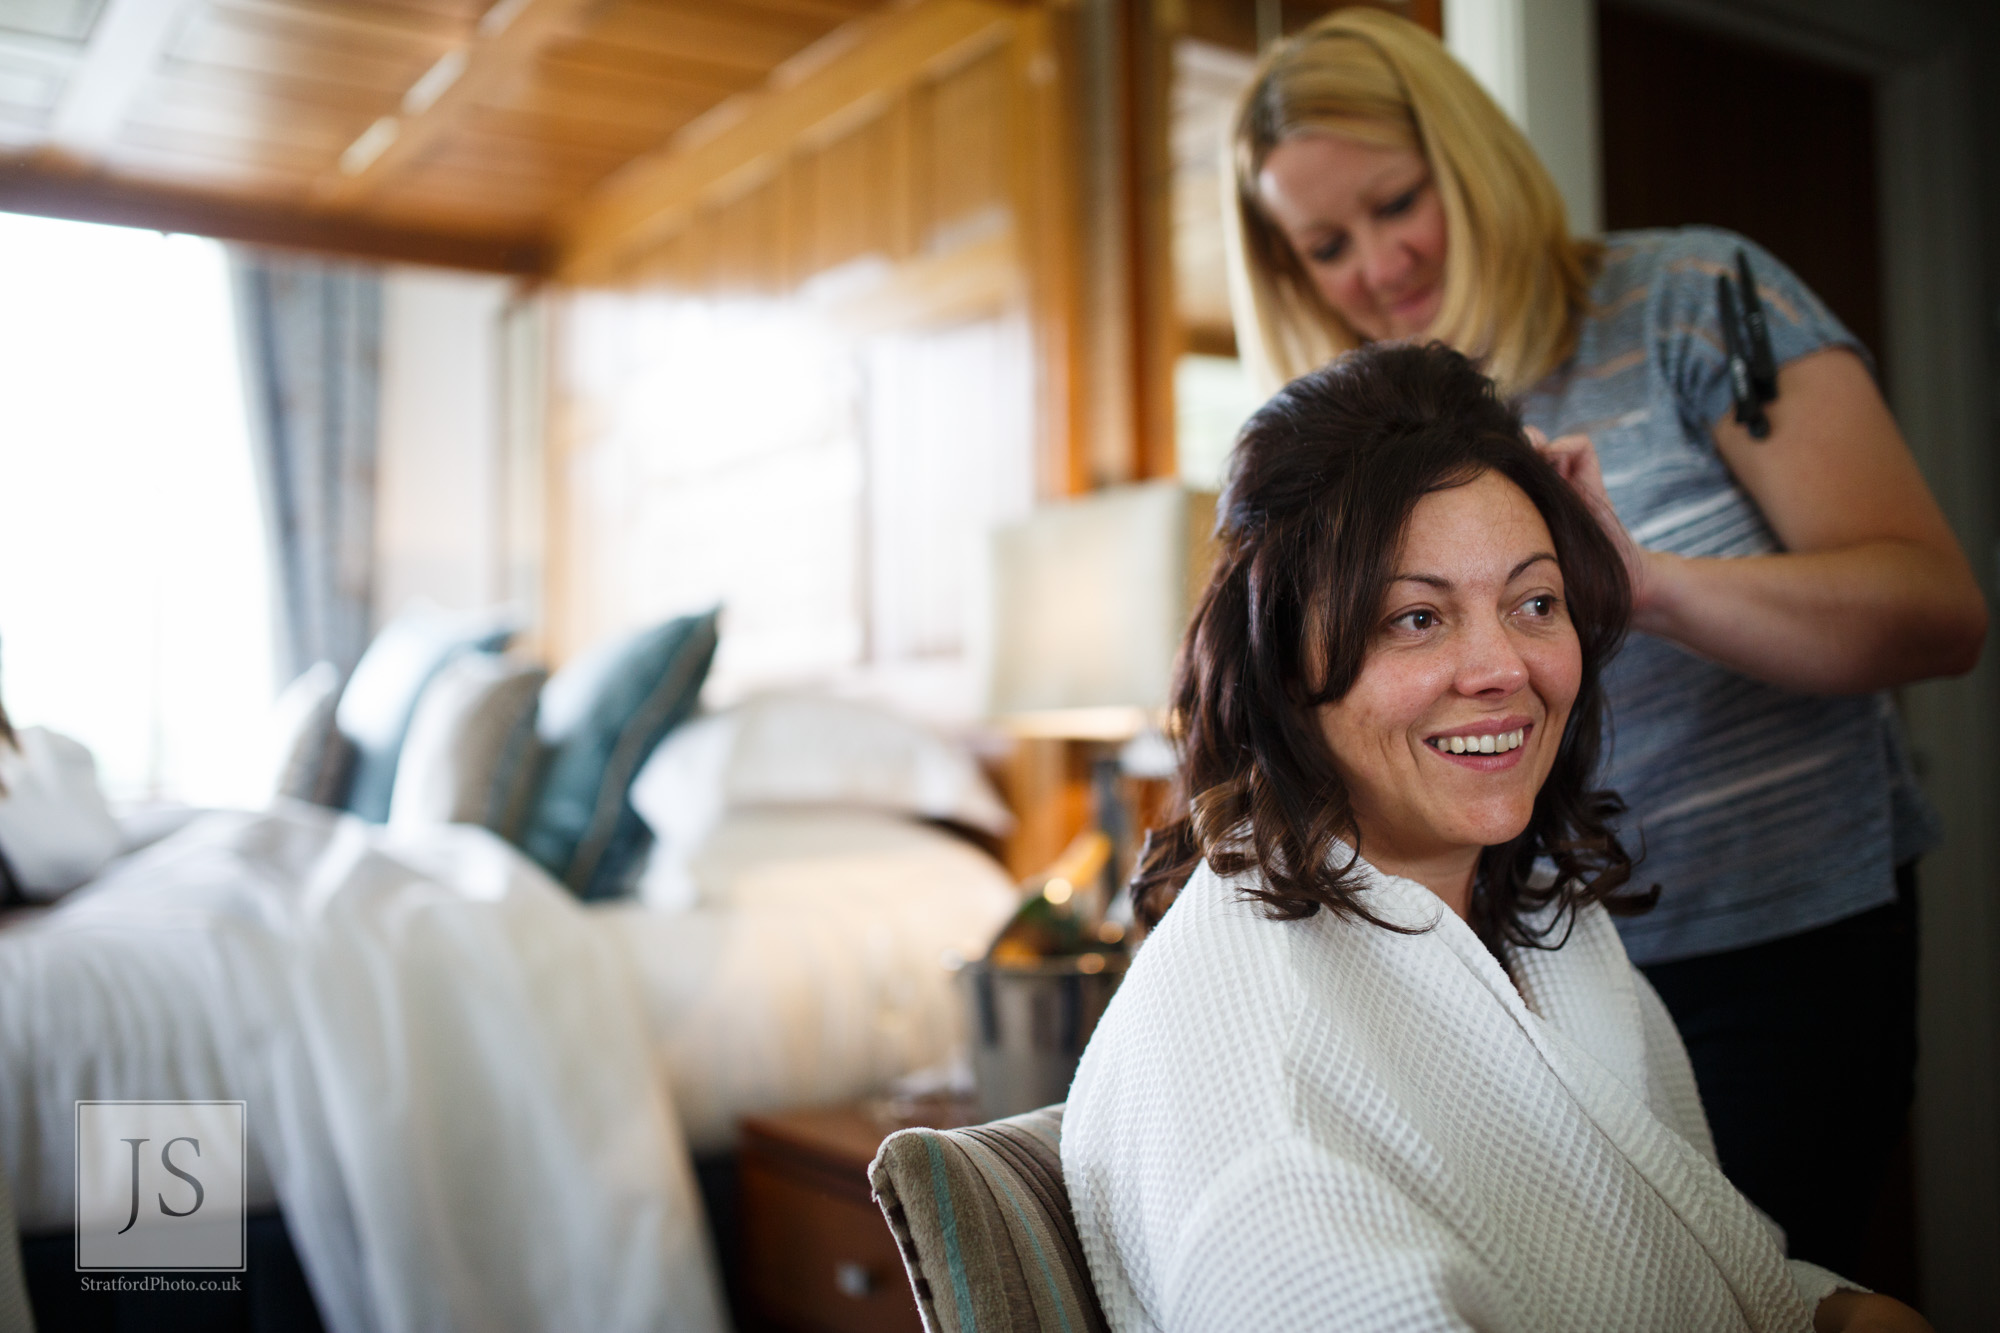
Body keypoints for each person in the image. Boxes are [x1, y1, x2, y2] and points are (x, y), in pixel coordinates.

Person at [1217, 7, 1988, 1275]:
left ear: (1464, 158)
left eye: (1398, 201)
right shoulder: (1333, 447)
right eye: (1324, 246)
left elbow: (1935, 612)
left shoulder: (1692, 300)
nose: (1378, 262)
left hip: (1771, 947)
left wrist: (1646, 587)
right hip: (1509, 968)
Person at [1062, 341, 1927, 1332]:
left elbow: (1719, 1270)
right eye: (1416, 617)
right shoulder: (1271, 1104)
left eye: (1532, 602)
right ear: (1276, 663)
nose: (1499, 667)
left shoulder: (1547, 927)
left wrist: (1833, 1315)